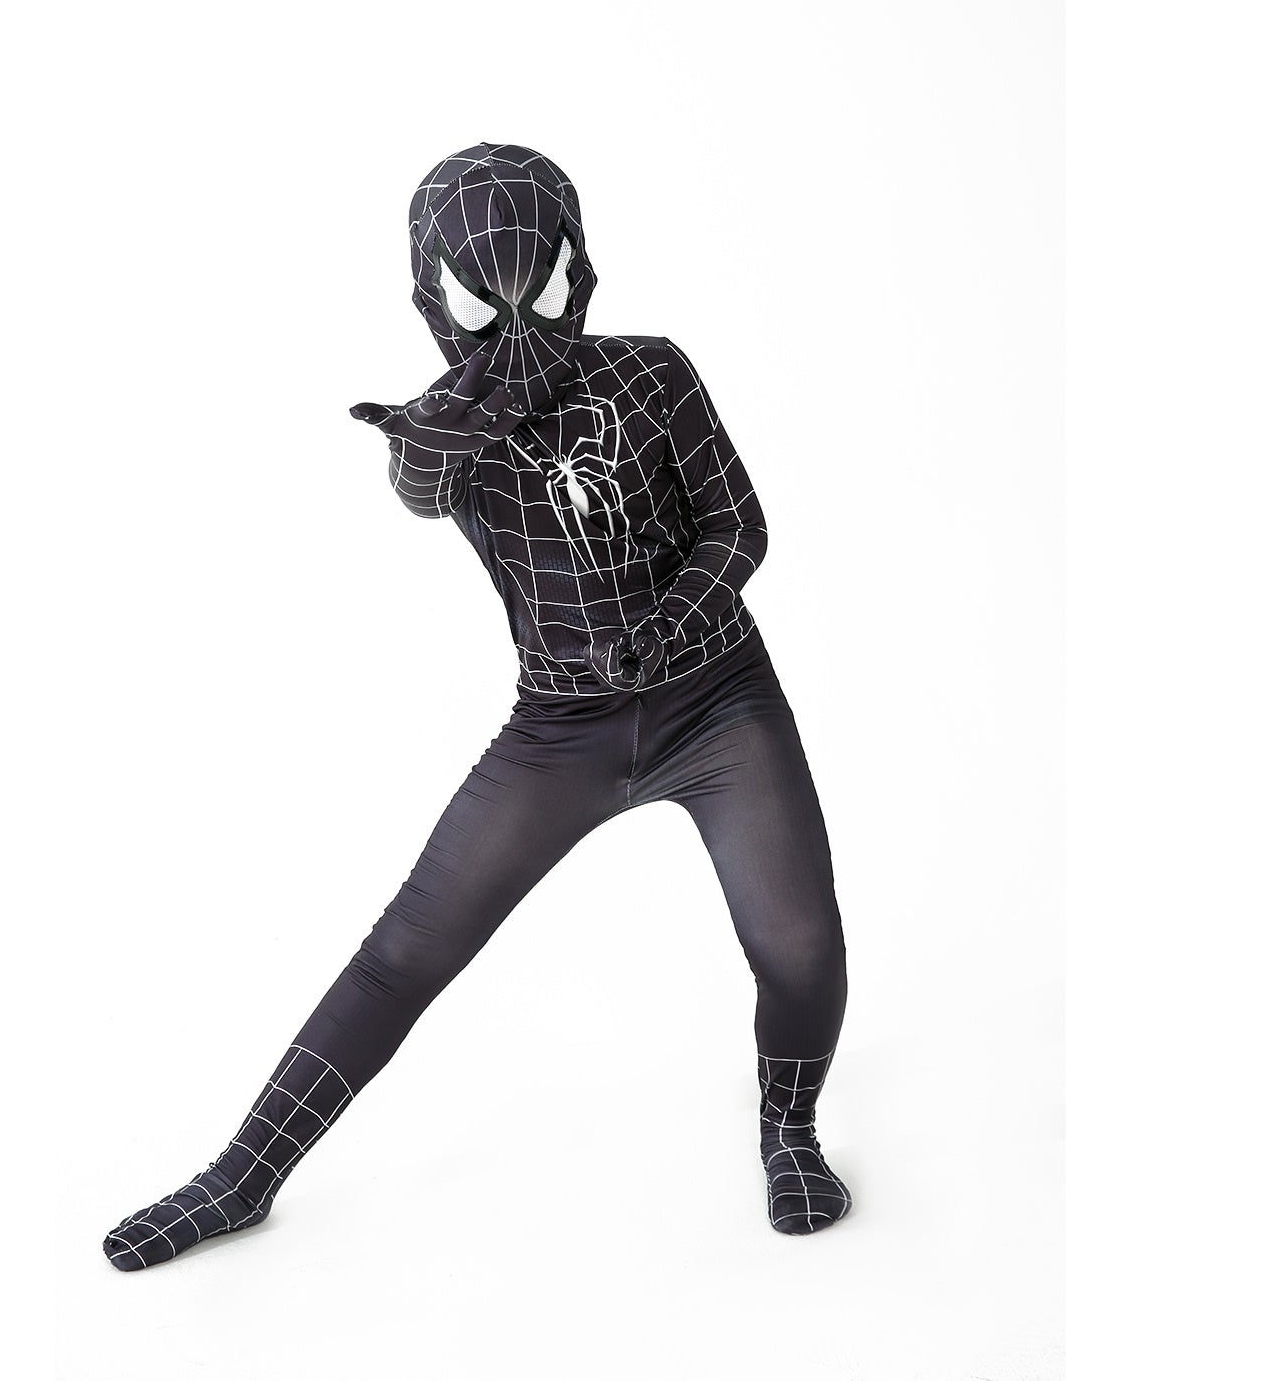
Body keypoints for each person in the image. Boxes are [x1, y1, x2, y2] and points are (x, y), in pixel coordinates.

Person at [102, 142, 851, 1271]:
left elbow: (737, 526)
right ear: (433, 297)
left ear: (578, 267)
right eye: (478, 302)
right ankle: (240, 1177)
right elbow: (417, 488)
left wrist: (669, 625)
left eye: (539, 291)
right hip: (560, 729)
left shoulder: (652, 372)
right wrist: (434, 425)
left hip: (717, 700)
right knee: (406, 950)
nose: (518, 330)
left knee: (798, 939)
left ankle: (790, 1134)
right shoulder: (449, 429)